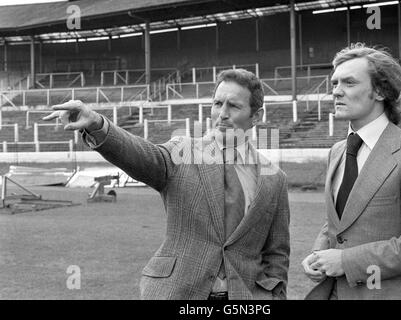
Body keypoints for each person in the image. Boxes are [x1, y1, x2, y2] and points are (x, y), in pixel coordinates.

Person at [44, 69, 290, 300]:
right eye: (217, 103)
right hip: (177, 292)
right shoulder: (182, 151)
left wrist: (273, 296)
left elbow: (277, 253)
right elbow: (141, 154)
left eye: (234, 106)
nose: (221, 114)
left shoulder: (274, 179)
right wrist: (97, 124)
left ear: (256, 115)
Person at [301, 43, 401, 300]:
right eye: (334, 83)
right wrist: (319, 253)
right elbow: (340, 221)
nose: (336, 92)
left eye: (349, 83)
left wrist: (347, 261)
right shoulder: (336, 151)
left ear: (380, 90)